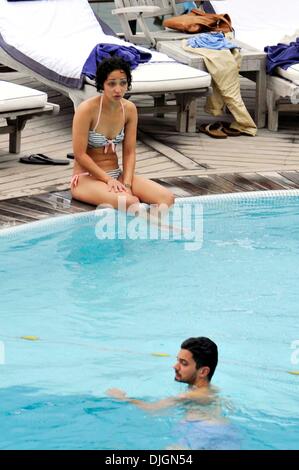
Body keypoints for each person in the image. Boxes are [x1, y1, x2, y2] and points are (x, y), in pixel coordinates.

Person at [71, 57, 174, 216]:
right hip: (86, 178)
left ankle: (151, 233)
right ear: (102, 85)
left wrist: (127, 182)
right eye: (111, 83)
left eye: (123, 83)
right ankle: (150, 228)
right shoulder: (86, 110)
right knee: (130, 202)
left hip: (116, 174)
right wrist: (108, 180)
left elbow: (129, 152)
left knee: (167, 198)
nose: (118, 89)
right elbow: (80, 154)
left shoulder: (129, 109)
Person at [107, 337, 240, 449]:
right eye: (178, 360)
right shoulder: (211, 390)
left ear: (203, 372)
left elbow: (152, 410)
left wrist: (123, 398)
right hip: (220, 433)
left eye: (184, 363)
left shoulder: (189, 395)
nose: (175, 366)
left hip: (205, 432)